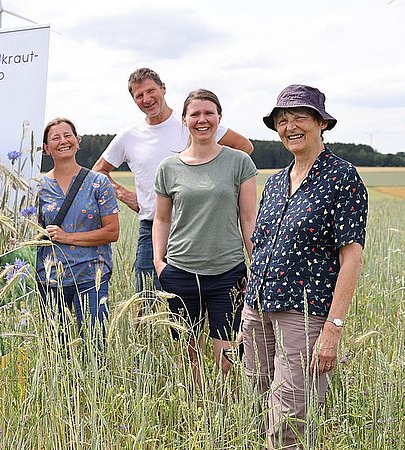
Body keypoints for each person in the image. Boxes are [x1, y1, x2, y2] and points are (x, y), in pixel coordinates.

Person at [241, 85, 368, 450]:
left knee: (290, 413)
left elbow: (352, 257)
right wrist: (247, 309)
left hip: (305, 314)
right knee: (255, 400)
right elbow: (261, 245)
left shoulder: (342, 176)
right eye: (282, 120)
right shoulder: (277, 181)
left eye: (300, 118)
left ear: (321, 123)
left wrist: (333, 328)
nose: (290, 126)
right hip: (257, 309)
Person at [93, 67, 253, 312]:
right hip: (153, 227)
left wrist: (217, 186)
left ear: (163, 89)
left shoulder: (192, 121)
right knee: (146, 303)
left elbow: (244, 147)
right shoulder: (129, 136)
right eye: (138, 95)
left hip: (203, 229)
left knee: (212, 308)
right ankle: (150, 348)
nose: (146, 99)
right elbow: (98, 172)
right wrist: (128, 197)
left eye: (150, 91)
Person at [151, 89, 257, 388]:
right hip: (181, 271)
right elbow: (162, 219)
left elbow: (248, 218)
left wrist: (257, 266)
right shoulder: (168, 168)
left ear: (219, 118)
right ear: (184, 120)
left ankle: (224, 411)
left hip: (227, 271)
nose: (202, 119)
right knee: (187, 352)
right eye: (194, 114)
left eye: (209, 113)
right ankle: (197, 406)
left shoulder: (239, 163)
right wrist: (159, 262)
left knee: (228, 357)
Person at [36, 117, 119, 354]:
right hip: (50, 277)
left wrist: (68, 237)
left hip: (91, 275)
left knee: (95, 347)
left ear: (77, 141)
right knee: (56, 351)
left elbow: (112, 232)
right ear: (46, 148)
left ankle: (95, 391)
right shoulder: (39, 187)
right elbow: (34, 231)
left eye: (68, 135)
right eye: (56, 138)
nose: (63, 141)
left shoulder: (98, 183)